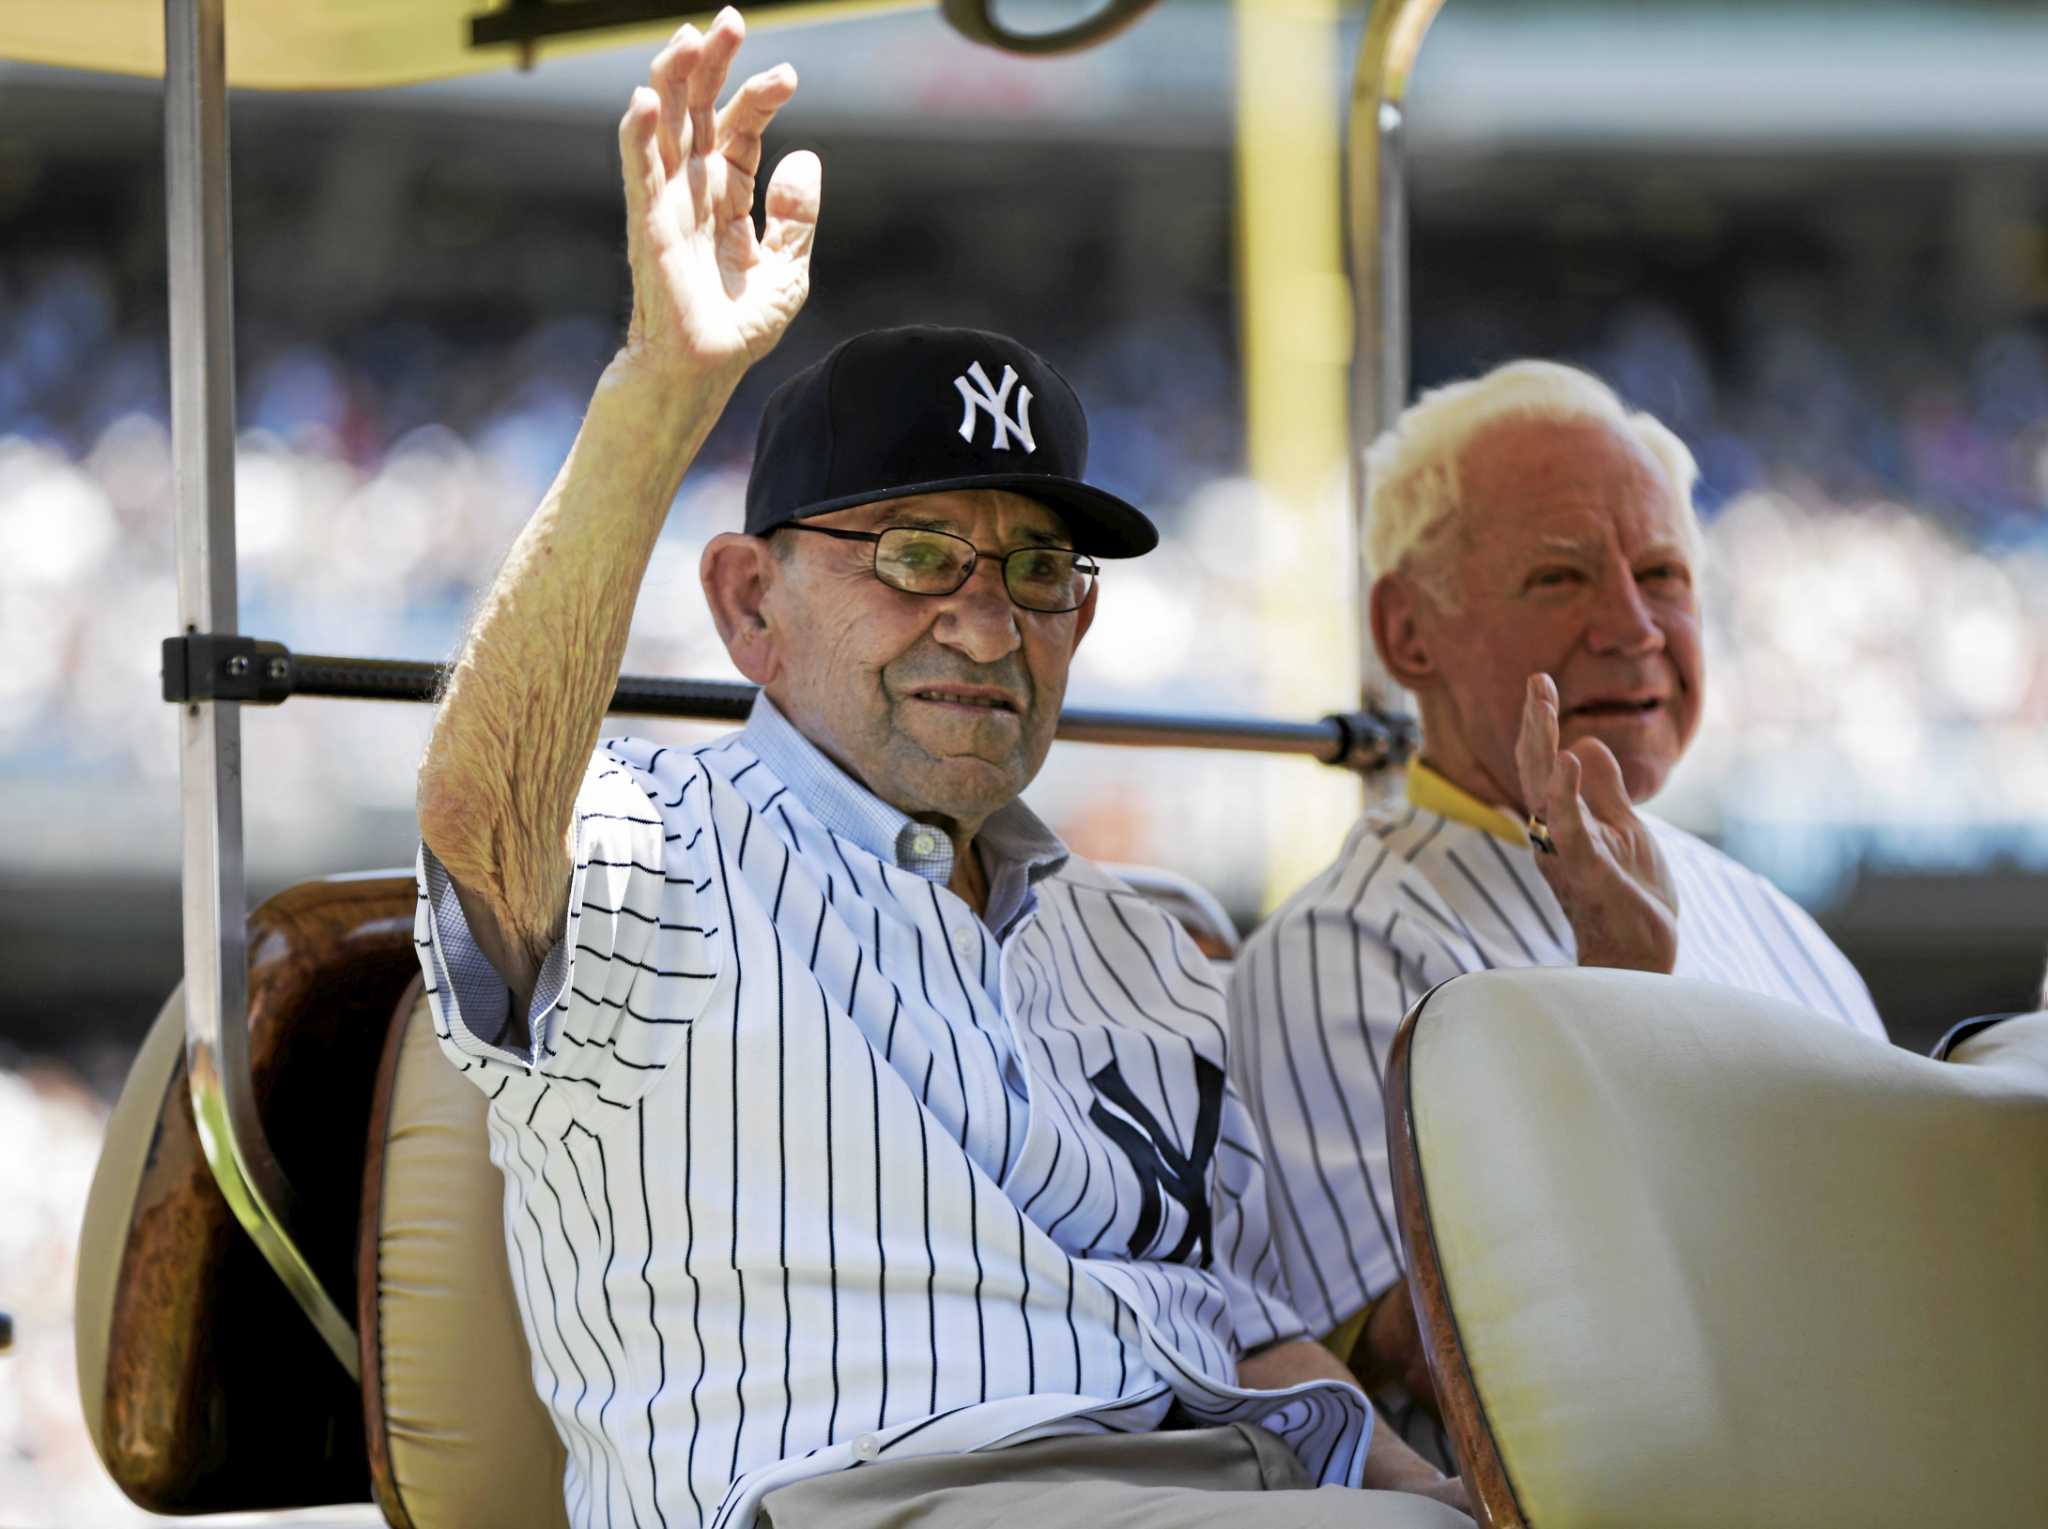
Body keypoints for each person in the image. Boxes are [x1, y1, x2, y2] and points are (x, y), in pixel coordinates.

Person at [412, 11, 1470, 1528]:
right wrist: (661, 393)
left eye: (1041, 570)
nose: (986, 619)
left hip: (1217, 1483)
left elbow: (1231, 1320)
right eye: (916, 554)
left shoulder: (1146, 940)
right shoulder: (650, 843)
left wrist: (1437, 1494)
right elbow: (478, 815)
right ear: (748, 607)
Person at [1229, 360, 1890, 1451]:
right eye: (1558, 577)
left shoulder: (1769, 911)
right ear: (1407, 635)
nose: (1630, 625)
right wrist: (1620, 1008)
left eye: (1662, 573)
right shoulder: (1337, 952)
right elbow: (1469, 1371)